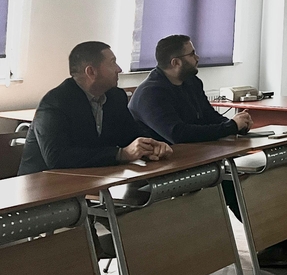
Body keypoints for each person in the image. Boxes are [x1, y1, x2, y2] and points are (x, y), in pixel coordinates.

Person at [128, 34, 287, 267]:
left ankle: (280, 240)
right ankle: (280, 243)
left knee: (254, 179)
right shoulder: (151, 93)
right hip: (159, 168)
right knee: (231, 182)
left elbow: (208, 117)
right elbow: (178, 134)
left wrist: (237, 124)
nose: (198, 57)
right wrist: (229, 127)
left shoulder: (192, 83)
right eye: (192, 54)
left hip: (195, 159)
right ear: (176, 62)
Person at [19, 41, 172, 175]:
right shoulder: (55, 103)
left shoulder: (115, 96)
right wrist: (121, 154)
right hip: (42, 184)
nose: (119, 69)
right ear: (91, 72)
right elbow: (57, 157)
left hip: (91, 177)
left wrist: (152, 146)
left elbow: (130, 134)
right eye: (112, 62)